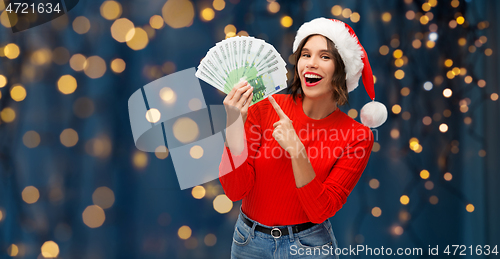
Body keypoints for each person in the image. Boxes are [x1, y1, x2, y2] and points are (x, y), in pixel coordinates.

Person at [219, 17, 387, 259]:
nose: (312, 64)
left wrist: (297, 151)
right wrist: (234, 122)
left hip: (309, 248)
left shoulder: (357, 136)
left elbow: (320, 211)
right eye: (306, 55)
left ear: (342, 69)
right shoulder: (266, 107)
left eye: (325, 57)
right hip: (249, 243)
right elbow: (235, 191)